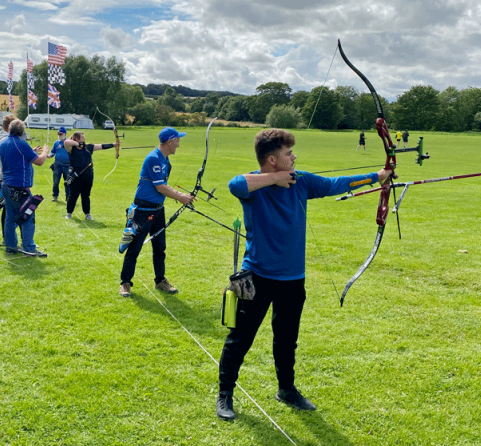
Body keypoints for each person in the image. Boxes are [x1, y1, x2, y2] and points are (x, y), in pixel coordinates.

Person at [215, 128, 393, 420]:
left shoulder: (302, 182)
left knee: (286, 339)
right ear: (271, 160)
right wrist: (275, 179)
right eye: (288, 153)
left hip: (292, 280)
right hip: (257, 275)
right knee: (240, 339)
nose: (294, 156)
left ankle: (286, 389)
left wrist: (377, 176)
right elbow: (235, 185)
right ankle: (225, 395)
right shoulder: (253, 187)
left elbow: (339, 183)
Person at [118, 127, 193, 298]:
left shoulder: (166, 161)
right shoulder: (153, 158)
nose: (179, 145)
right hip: (143, 210)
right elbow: (160, 187)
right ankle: (125, 283)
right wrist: (180, 196)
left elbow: (163, 187)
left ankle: (160, 281)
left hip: (158, 210)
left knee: (160, 247)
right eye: (177, 141)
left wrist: (181, 195)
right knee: (134, 248)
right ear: (169, 142)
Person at [0, 119, 49, 256]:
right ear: (22, 132)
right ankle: (29, 247)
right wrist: (44, 152)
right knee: (28, 216)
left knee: (10, 217)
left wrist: (30, 151)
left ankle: (11, 247)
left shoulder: (4, 143)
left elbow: (16, 156)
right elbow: (39, 161)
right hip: (19, 188)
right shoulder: (21, 144)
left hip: (6, 186)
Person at [63, 131, 118, 220]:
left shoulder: (88, 147)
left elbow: (101, 146)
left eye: (84, 137)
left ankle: (87, 214)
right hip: (76, 175)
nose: (84, 139)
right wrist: (78, 144)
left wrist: (113, 144)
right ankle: (69, 213)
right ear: (77, 139)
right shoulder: (72, 148)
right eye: (82, 137)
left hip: (88, 175)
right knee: (74, 194)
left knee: (86, 195)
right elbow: (66, 142)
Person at [49, 127, 70, 202]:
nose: (59, 135)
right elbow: (52, 152)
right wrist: (49, 155)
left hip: (67, 165)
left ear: (65, 134)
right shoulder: (56, 143)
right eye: (58, 134)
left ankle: (68, 196)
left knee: (67, 182)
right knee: (55, 182)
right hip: (57, 165)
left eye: (61, 134)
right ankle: (55, 196)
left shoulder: (69, 143)